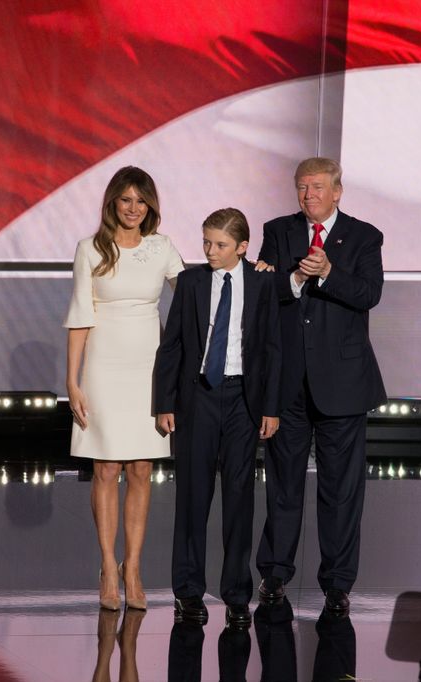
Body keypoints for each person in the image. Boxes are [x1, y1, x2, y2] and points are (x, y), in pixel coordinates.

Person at [254, 157, 386, 613]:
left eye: (316, 187)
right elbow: (263, 295)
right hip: (288, 383)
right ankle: (274, 575)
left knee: (341, 490)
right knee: (283, 486)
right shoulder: (278, 231)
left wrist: (328, 272)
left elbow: (370, 293)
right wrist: (293, 279)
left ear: (337, 191)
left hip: (344, 385)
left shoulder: (365, 236)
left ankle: (337, 583)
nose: (308, 195)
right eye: (301, 187)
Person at [154, 208, 282, 627]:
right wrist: (165, 402)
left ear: (243, 248)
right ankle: (188, 592)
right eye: (206, 242)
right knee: (192, 498)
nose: (210, 251)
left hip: (244, 400)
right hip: (198, 398)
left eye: (220, 245)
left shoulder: (262, 282)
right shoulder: (191, 282)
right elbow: (171, 345)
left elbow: (271, 348)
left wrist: (270, 408)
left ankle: (237, 595)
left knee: (239, 501)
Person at [64, 166, 184, 612]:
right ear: (113, 202)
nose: (134, 209)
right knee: (106, 469)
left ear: (150, 206)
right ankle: (107, 566)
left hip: (149, 369)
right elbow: (79, 317)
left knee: (140, 469)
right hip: (102, 367)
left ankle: (133, 568)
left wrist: (246, 271)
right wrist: (71, 380)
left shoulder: (162, 248)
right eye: (126, 200)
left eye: (142, 201)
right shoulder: (90, 249)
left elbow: (194, 294)